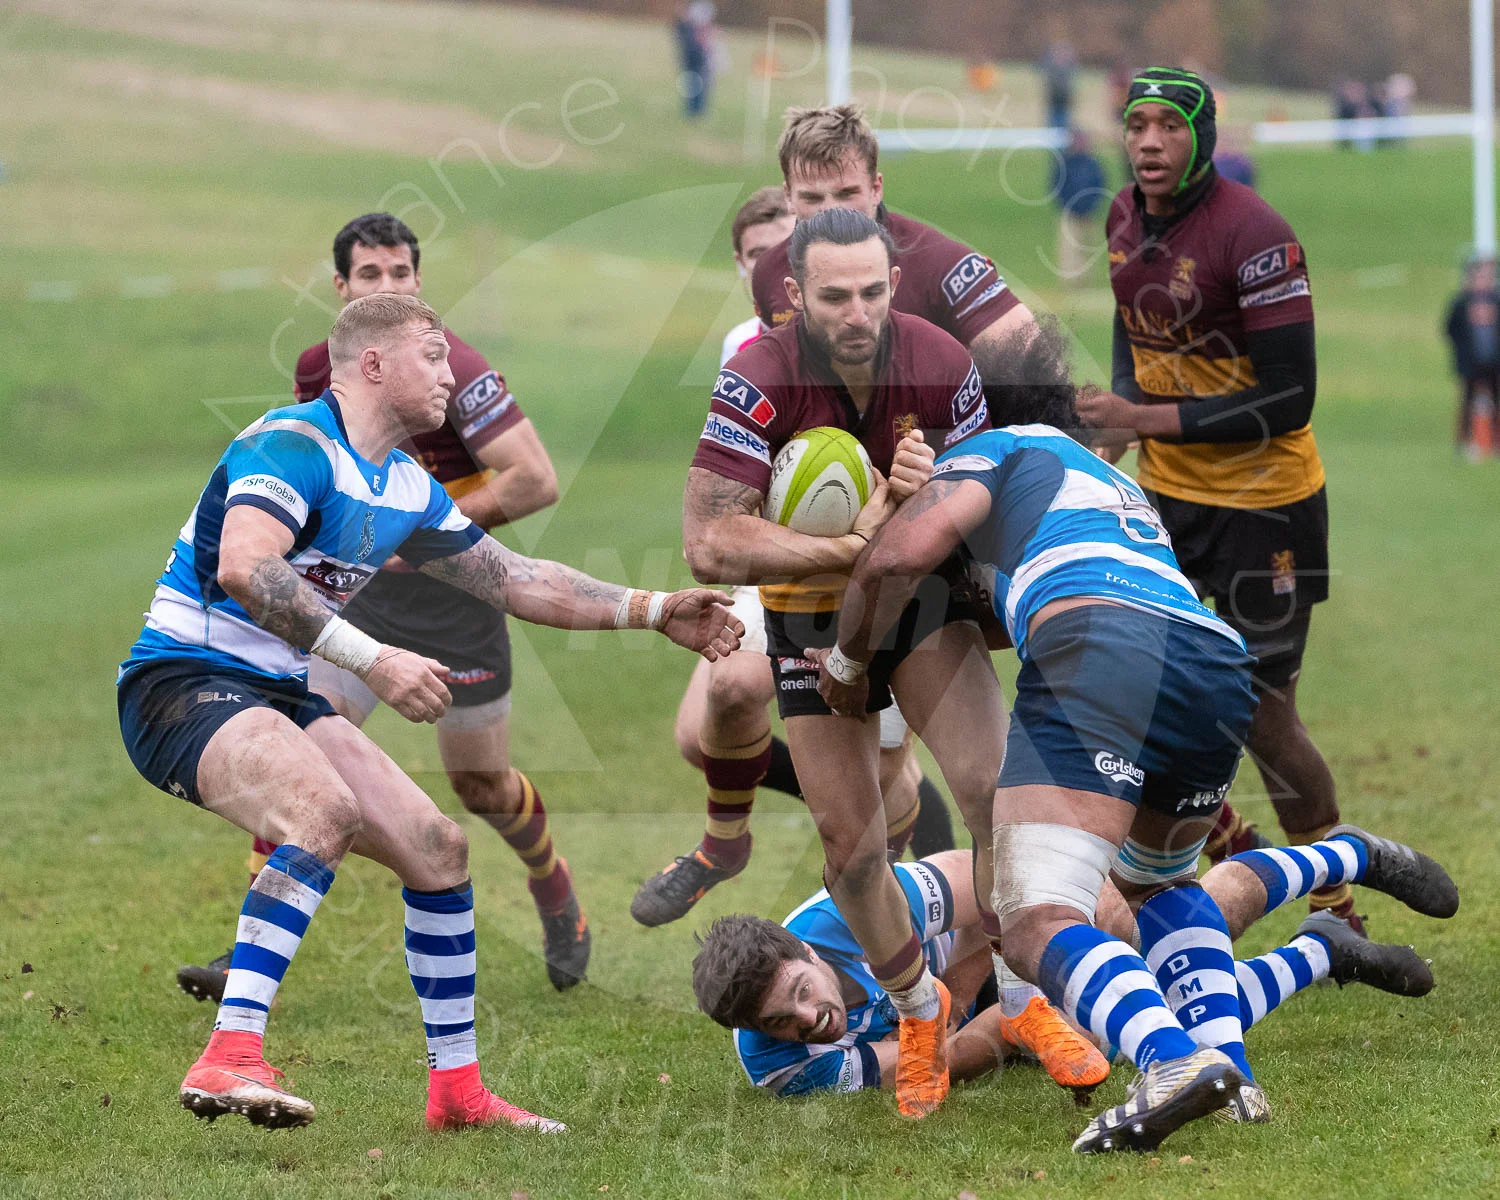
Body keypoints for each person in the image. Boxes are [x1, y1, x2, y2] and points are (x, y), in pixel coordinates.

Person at [808, 333, 1458, 1150]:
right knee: (1162, 890)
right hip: (1211, 660)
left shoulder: (996, 450)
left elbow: (896, 558)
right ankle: (1236, 1061)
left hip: (1101, 653)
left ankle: (1168, 1059)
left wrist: (845, 660)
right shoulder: (1101, 479)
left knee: (1033, 914)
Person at [117, 294, 743, 1130]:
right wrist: (374, 659)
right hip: (180, 683)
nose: (454, 373)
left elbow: (517, 580)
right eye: (433, 355)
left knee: (439, 848)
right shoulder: (292, 444)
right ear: (372, 364)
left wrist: (653, 607)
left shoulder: (406, 484)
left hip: (272, 694)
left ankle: (458, 1094)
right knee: (322, 809)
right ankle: (229, 1056)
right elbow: (244, 568)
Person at [676, 207, 1102, 1121]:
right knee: (853, 850)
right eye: (834, 296)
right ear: (793, 294)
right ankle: (918, 1011)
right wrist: (855, 543)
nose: (857, 311)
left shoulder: (943, 367)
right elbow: (709, 540)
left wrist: (938, 485)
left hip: (921, 609)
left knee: (993, 793)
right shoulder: (757, 378)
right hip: (806, 624)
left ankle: (1028, 1008)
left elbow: (989, 510)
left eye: (873, 291)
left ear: (893, 285)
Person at [176, 213, 590, 1006]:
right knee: (300, 743)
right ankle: (248, 959)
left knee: (483, 787)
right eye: (371, 277)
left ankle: (551, 880)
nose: (389, 288)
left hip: (460, 601)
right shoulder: (317, 371)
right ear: (343, 290)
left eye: (401, 274)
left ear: (420, 280)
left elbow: (533, 479)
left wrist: (414, 530)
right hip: (355, 607)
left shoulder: (457, 366)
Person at [636, 101, 1031, 925]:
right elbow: (773, 442)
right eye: (809, 202)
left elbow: (1024, 354)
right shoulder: (772, 288)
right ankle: (740, 844)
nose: (831, 215)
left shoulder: (936, 277)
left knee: (957, 770)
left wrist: (961, 478)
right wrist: (834, 523)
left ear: (879, 190)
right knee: (722, 711)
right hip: (809, 543)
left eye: (847, 192)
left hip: (922, 543)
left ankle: (980, 938)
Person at [1075, 67, 1362, 930]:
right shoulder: (1121, 217)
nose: (1150, 142)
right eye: (1137, 125)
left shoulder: (1259, 236)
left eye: (1169, 125)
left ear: (1202, 136)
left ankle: (1337, 904)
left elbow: (1289, 400)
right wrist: (1123, 424)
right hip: (1166, 497)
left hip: (1265, 507)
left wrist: (1143, 414)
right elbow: (1133, 337)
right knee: (1127, 681)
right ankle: (1229, 840)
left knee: (1264, 718)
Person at [646, 190, 956, 930]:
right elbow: (723, 520)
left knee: (880, 787)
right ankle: (727, 844)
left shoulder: (887, 339)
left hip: (879, 584)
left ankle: (910, 884)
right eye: (753, 257)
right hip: (781, 563)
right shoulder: (748, 356)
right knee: (714, 715)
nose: (762, 271)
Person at [693, 847, 1439, 1105]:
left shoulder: (843, 913)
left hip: (1008, 923)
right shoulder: (779, 1067)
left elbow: (991, 884)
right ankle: (1323, 950)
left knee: (1176, 925)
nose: (808, 1022)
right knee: (1131, 1020)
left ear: (807, 954)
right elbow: (948, 1055)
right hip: (979, 1003)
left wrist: (990, 969)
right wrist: (1008, 1022)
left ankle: (1349, 855)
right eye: (781, 1024)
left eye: (800, 994)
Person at [1443, 255, 1500, 458]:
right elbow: (1449, 329)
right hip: (1470, 362)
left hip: (1494, 361)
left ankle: (1495, 444)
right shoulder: (1461, 303)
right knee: (1467, 402)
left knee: (1496, 402)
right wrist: (1462, 351)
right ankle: (1464, 443)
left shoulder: (1496, 300)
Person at [1050, 129, 1108, 283]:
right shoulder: (1065, 163)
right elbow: (1057, 186)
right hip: (1070, 212)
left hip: (1089, 213)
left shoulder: (1092, 164)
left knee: (1086, 247)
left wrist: (1092, 206)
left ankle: (1085, 279)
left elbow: (1100, 185)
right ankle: (1070, 279)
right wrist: (1066, 205)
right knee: (1069, 248)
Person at [1039, 40, 1078, 131]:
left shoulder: (1067, 67)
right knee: (1052, 122)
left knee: (1064, 123)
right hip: (1053, 100)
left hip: (1064, 101)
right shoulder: (1052, 67)